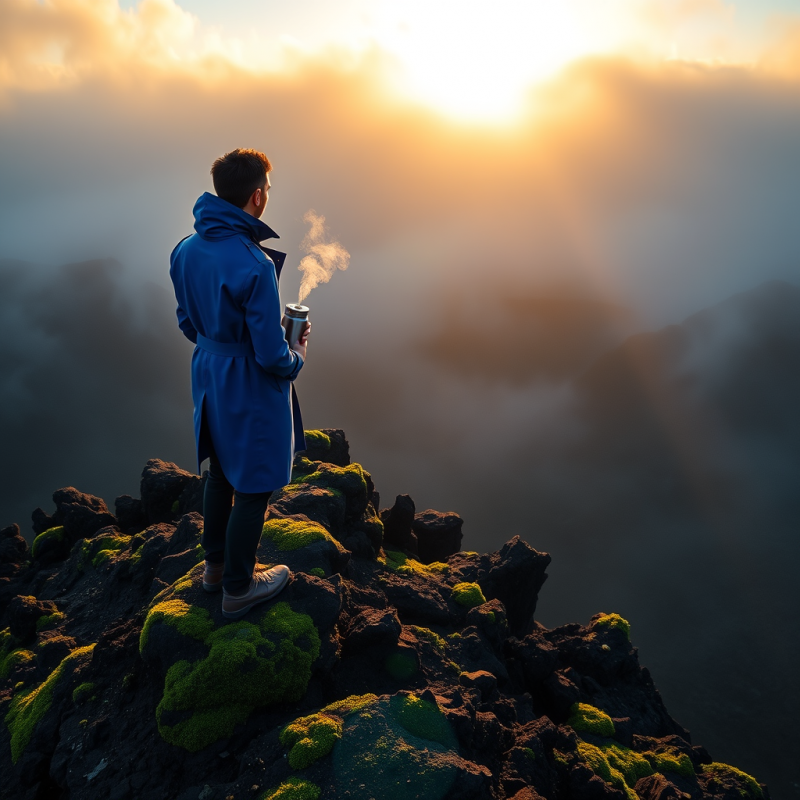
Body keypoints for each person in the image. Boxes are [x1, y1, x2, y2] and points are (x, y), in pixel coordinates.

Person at [169, 148, 310, 620]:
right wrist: (297, 357)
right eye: (268, 188)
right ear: (256, 197)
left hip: (208, 373)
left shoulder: (185, 249)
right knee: (254, 486)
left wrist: (217, 344)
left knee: (222, 472)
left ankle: (214, 570)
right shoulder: (255, 264)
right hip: (248, 383)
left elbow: (187, 321)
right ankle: (239, 587)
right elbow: (272, 355)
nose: (268, 195)